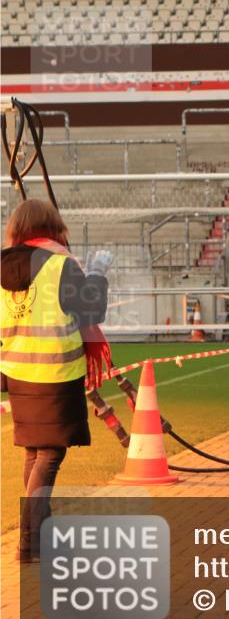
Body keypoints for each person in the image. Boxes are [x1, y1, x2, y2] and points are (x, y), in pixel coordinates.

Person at [0, 199, 113, 563]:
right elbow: (91, 308)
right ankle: (30, 542)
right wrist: (96, 270)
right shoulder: (61, 263)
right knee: (49, 454)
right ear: (52, 226)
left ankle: (41, 534)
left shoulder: (2, 265)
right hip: (56, 371)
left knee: (35, 451)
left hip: (18, 370)